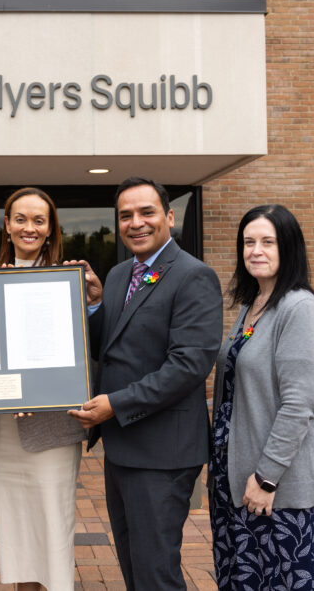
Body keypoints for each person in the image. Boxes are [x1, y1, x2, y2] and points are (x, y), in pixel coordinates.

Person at [69, 176, 223, 591]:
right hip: (123, 448)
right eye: (125, 215)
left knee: (156, 573)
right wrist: (95, 305)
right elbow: (110, 347)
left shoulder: (193, 276)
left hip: (163, 452)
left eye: (146, 212)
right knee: (134, 566)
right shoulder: (121, 274)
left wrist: (115, 405)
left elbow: (188, 366)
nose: (135, 223)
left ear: (169, 217)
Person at [0, 187, 86, 591]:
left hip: (52, 429)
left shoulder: (69, 281)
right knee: (15, 527)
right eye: (20, 219)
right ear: (7, 225)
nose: (28, 227)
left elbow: (81, 354)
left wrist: (92, 302)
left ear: (50, 229)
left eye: (38, 220)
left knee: (52, 521)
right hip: (5, 429)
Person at [208, 205, 314, 590]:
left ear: (289, 248)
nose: (256, 251)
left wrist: (266, 477)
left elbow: (301, 404)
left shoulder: (299, 308)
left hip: (279, 487)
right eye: (249, 242)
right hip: (236, 480)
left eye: (268, 242)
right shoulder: (253, 306)